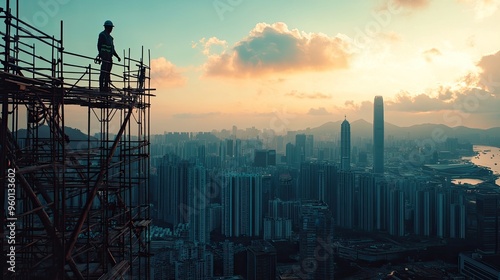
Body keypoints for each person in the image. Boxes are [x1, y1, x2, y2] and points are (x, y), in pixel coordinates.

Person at [97, 20, 121, 92]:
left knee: (107, 73)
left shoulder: (111, 38)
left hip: (109, 57)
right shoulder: (102, 35)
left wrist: (117, 57)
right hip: (104, 57)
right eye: (111, 28)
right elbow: (99, 45)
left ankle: (106, 87)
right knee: (103, 73)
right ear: (107, 27)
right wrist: (101, 55)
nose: (111, 29)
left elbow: (112, 49)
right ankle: (101, 88)